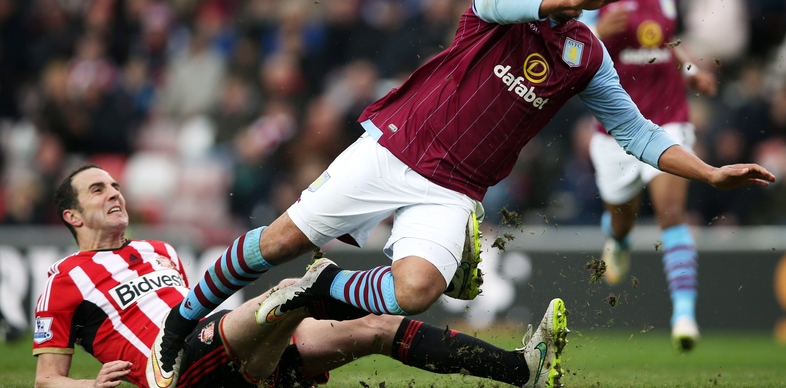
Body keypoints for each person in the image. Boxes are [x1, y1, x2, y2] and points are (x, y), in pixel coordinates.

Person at [152, 0, 776, 386]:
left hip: (454, 188)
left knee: (415, 292)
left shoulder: (587, 55)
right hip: (394, 147)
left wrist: (709, 171)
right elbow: (501, 1)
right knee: (282, 240)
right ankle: (180, 324)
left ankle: (323, 286)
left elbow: (637, 132)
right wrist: (560, 2)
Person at [33, 164, 569, 388]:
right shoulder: (63, 278)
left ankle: (522, 369)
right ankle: (323, 288)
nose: (114, 193)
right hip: (170, 374)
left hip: (229, 350)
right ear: (72, 216)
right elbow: (45, 380)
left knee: (376, 328)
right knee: (289, 294)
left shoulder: (159, 249)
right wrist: (89, 385)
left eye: (114, 185)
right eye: (98, 190)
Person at [578, 0, 716, 352]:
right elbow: (571, 47)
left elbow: (670, 45)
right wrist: (598, 31)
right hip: (617, 127)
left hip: (669, 119)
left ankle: (684, 315)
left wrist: (692, 71)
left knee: (672, 212)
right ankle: (618, 241)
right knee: (623, 220)